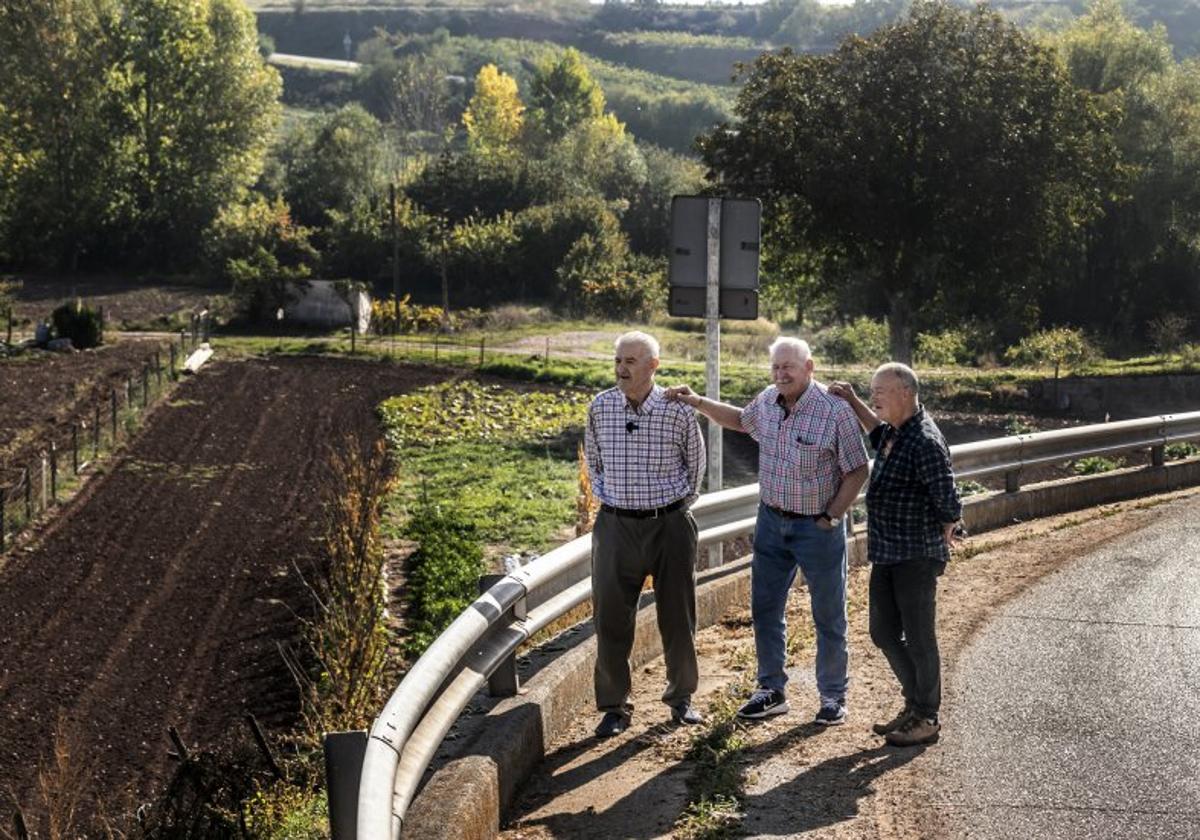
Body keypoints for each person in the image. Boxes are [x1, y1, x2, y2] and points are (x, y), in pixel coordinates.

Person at [667, 338, 868, 725]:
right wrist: (697, 402)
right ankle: (771, 690)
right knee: (764, 608)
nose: (781, 374)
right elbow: (740, 421)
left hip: (817, 528)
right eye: (776, 368)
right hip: (772, 522)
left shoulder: (834, 410)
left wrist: (832, 515)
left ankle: (832, 697)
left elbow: (858, 468)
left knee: (828, 614)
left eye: (789, 367)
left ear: (809, 367)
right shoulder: (767, 401)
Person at [828, 363, 963, 747]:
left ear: (905, 392)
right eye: (872, 391)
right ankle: (915, 702)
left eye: (880, 391)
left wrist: (949, 525)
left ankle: (927, 716)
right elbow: (875, 432)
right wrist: (853, 400)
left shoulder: (924, 441)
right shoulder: (895, 432)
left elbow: (949, 500)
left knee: (920, 637)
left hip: (915, 556)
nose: (875, 398)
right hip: (887, 553)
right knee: (883, 632)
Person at [585, 331, 706, 738]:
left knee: (678, 614)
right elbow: (595, 464)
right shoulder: (600, 408)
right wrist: (615, 503)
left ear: (653, 365)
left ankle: (681, 699)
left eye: (631, 361)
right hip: (615, 525)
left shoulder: (678, 411)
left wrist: (672, 509)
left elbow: (696, 468)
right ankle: (615, 707)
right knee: (611, 618)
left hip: (669, 524)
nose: (622, 369)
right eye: (618, 360)